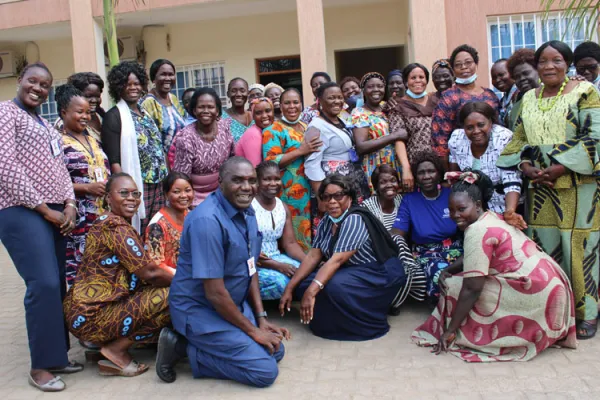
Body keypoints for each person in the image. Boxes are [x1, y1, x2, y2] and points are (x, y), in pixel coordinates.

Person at [412, 171, 577, 361]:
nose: (455, 215)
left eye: (461, 209)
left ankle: (475, 336)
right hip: (552, 286)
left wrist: (450, 330)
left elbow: (472, 289)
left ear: (478, 205)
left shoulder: (477, 230)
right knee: (457, 279)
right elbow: (473, 257)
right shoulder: (491, 217)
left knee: (456, 287)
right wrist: (447, 270)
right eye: (451, 210)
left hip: (540, 293)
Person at [498, 40, 600, 339]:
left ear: (567, 64)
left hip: (578, 188)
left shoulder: (585, 92)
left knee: (579, 251)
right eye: (543, 61)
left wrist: (562, 166)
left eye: (556, 60)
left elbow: (595, 136)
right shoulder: (528, 98)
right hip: (540, 189)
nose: (549, 66)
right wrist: (525, 165)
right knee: (544, 250)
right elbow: (518, 140)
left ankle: (586, 313)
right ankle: (555, 311)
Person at [158, 157, 289, 387]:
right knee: (264, 371)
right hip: (201, 310)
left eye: (251, 181)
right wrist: (253, 332)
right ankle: (181, 348)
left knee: (276, 350)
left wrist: (261, 318)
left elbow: (251, 267)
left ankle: (217, 345)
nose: (246, 187)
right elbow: (215, 293)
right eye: (237, 180)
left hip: (230, 305)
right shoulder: (207, 221)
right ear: (220, 182)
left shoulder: (247, 212)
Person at [0, 62, 80, 392]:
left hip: (56, 212)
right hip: (21, 210)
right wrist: (44, 208)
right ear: (19, 81)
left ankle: (57, 354)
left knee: (57, 284)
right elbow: (5, 165)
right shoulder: (6, 113)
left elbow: (61, 171)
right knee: (43, 284)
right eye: (32, 81)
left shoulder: (47, 125)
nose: (38, 88)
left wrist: (71, 203)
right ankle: (40, 367)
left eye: (44, 84)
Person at [64, 173, 172, 377]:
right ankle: (116, 350)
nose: (132, 198)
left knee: (163, 292)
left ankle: (106, 344)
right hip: (93, 316)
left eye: (135, 193)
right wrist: (188, 282)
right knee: (175, 295)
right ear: (108, 197)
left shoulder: (108, 221)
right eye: (124, 193)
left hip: (89, 310)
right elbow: (149, 273)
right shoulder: (114, 226)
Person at [279, 174, 407, 341]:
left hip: (376, 272)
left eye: (338, 196)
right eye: (326, 197)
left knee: (330, 285)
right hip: (350, 270)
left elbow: (336, 260)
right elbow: (312, 256)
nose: (332, 201)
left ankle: (361, 323)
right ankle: (326, 322)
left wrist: (311, 292)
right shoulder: (326, 221)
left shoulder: (354, 219)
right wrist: (290, 288)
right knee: (304, 282)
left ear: (349, 197)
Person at [101, 61, 168, 233]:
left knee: (155, 229)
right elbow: (114, 159)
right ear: (118, 87)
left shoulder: (145, 113)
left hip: (158, 183)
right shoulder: (114, 117)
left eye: (137, 83)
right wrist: (126, 192)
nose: (133, 88)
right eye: (127, 84)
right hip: (137, 186)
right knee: (137, 229)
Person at [56, 84, 111, 286]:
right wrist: (86, 188)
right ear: (64, 112)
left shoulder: (92, 139)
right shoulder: (57, 141)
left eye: (88, 112)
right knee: (79, 268)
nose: (85, 117)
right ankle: (77, 314)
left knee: (102, 266)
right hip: (77, 218)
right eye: (79, 112)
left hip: (101, 216)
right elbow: (54, 181)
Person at [391, 152, 462, 300]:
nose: (427, 176)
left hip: (455, 247)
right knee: (441, 275)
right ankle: (445, 312)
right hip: (426, 253)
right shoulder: (409, 200)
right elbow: (397, 232)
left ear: (439, 173)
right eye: (421, 172)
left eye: (431, 171)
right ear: (416, 176)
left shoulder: (451, 195)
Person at [305, 82, 370, 232]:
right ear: (320, 101)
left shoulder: (341, 120)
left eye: (339, 97)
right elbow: (312, 164)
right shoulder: (316, 126)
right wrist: (323, 197)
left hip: (348, 182)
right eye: (331, 98)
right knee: (336, 227)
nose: (337, 101)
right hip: (332, 188)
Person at [361, 164, 427, 306]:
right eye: (383, 182)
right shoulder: (367, 206)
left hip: (404, 253)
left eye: (393, 180)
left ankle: (395, 299)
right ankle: (397, 297)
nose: (389, 185)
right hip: (378, 254)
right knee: (397, 239)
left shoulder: (403, 200)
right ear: (376, 187)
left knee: (399, 242)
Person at [263, 88, 320, 251]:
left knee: (314, 229)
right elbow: (270, 162)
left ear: (301, 104)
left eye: (296, 102)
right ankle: (302, 268)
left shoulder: (306, 126)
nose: (292, 106)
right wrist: (300, 151)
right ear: (280, 106)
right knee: (296, 233)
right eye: (287, 103)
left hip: (313, 188)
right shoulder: (272, 130)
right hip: (291, 192)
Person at [448, 101, 523, 219]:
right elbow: (455, 175)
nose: (476, 131)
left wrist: (510, 212)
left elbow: (512, 180)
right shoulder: (457, 139)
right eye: (469, 127)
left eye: (481, 125)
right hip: (473, 206)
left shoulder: (503, 138)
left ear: (491, 122)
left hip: (505, 203)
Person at [431, 44, 500, 167]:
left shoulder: (490, 96)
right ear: (453, 70)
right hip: (461, 162)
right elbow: (440, 139)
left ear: (476, 64)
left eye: (468, 63)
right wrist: (449, 172)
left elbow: (498, 130)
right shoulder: (448, 97)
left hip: (493, 160)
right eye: (458, 65)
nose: (464, 67)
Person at [252, 161, 306, 300]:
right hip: (256, 262)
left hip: (277, 256)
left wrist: (308, 262)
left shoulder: (282, 207)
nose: (273, 183)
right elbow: (249, 251)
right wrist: (278, 266)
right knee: (280, 283)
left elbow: (290, 244)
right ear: (257, 182)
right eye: (267, 179)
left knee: (306, 274)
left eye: (276, 179)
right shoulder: (249, 207)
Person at [173, 87, 234, 207]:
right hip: (194, 197)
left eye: (210, 107)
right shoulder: (185, 138)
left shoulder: (224, 129)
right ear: (194, 110)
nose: (206, 111)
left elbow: (232, 160)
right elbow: (181, 178)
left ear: (217, 111)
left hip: (222, 192)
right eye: (201, 107)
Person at [386, 63, 439, 192]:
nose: (418, 81)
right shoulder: (398, 107)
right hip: (415, 166)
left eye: (421, 77)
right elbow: (399, 140)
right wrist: (406, 169)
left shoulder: (436, 101)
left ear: (427, 80)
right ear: (405, 82)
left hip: (438, 164)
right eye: (413, 77)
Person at [352, 72, 404, 192]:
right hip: (376, 166)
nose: (376, 90)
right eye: (371, 87)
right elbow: (361, 147)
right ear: (363, 90)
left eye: (380, 86)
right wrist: (394, 136)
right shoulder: (359, 113)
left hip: (396, 164)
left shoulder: (387, 107)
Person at [145, 172, 193, 275]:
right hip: (168, 280)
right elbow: (156, 265)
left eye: (188, 190)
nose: (184, 195)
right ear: (166, 195)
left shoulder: (192, 216)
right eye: (176, 192)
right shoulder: (157, 225)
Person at [141, 59, 187, 155]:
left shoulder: (173, 99)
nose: (168, 78)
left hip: (180, 159)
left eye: (171, 74)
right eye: (163, 74)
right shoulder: (148, 103)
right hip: (161, 162)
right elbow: (149, 140)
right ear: (154, 79)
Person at [505, 48, 540, 131]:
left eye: (526, 73)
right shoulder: (515, 109)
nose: (522, 79)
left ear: (538, 70)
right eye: (517, 77)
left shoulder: (555, 97)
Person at [66, 72, 106, 142]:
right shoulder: (66, 122)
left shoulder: (103, 116)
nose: (94, 100)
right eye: (88, 96)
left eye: (97, 96)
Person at [235, 97, 275, 166]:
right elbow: (255, 168)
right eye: (258, 113)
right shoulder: (253, 134)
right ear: (253, 116)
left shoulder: (271, 130)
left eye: (268, 111)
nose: (264, 116)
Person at [222, 77, 253, 143]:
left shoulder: (255, 116)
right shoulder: (221, 118)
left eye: (242, 91)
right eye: (233, 91)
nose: (238, 94)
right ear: (228, 94)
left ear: (248, 93)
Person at [491, 58, 518, 127]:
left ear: (513, 73)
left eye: (501, 75)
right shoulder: (503, 101)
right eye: (494, 77)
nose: (497, 80)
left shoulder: (520, 95)